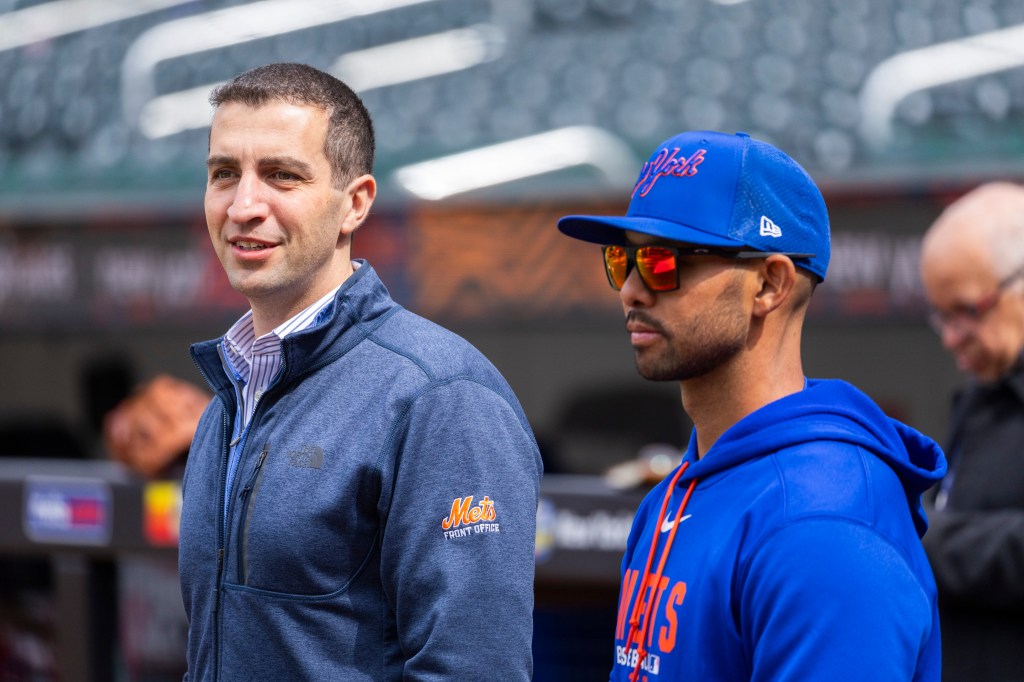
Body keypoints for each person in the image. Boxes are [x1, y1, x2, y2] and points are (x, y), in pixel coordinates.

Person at [178, 63, 542, 681]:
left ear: (355, 203)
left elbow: (474, 669)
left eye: (281, 176)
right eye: (223, 175)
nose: (243, 206)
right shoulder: (232, 394)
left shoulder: (442, 396)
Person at [557, 130, 946, 681]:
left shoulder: (822, 522)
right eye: (623, 260)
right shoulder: (676, 489)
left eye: (664, 262)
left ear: (769, 283)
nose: (632, 290)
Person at [918, 181, 1024, 682]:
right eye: (941, 316)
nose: (950, 336)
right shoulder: (985, 390)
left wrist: (923, 539)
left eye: (967, 310)